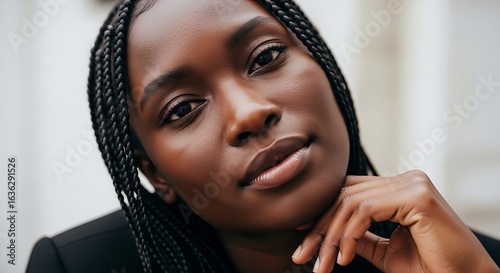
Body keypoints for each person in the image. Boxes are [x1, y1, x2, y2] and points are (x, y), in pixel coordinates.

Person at [27, 0, 500, 272]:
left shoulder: (466, 259)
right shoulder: (77, 266)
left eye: (267, 57)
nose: (250, 113)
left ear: (323, 65)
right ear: (154, 172)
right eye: (184, 109)